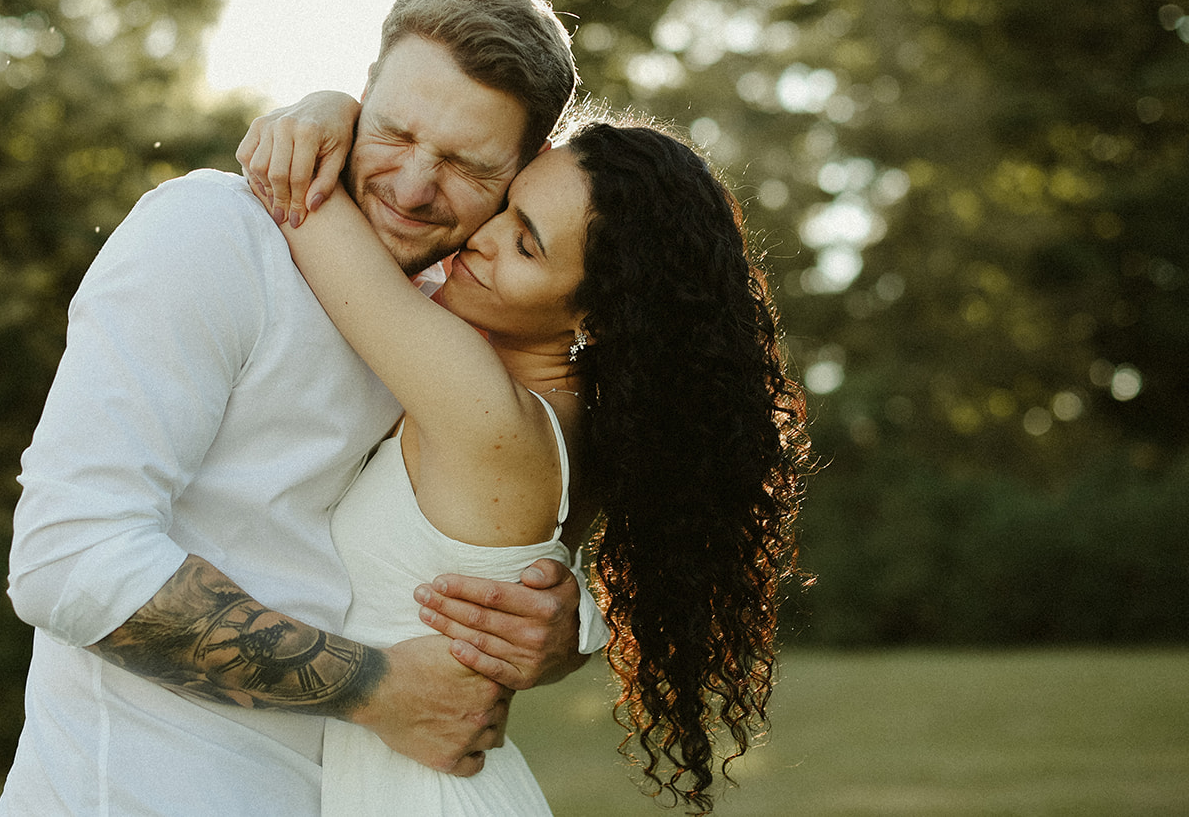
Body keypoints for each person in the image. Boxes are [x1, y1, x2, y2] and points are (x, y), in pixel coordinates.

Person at [0, 0, 603, 817]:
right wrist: (377, 689)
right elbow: (67, 560)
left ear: (526, 170)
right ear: (361, 99)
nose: (415, 185)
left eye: (467, 163)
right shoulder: (209, 234)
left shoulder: (453, 318)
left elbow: (498, 507)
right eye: (392, 131)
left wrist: (564, 626)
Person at [239, 103, 810, 815]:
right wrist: (581, 628)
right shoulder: (582, 425)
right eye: (506, 207)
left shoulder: (481, 405)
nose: (480, 239)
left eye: (526, 246)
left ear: (596, 319)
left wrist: (331, 112)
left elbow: (302, 201)